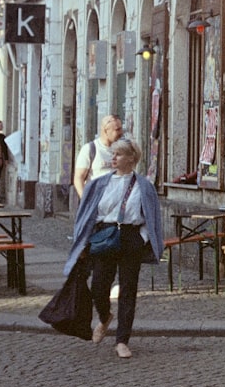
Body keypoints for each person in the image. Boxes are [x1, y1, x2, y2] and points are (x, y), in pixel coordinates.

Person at [62, 138, 164, 359]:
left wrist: (142, 238)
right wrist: (84, 242)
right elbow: (87, 214)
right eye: (113, 154)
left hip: (130, 238)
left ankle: (122, 340)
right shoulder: (100, 183)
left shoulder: (143, 186)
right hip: (105, 236)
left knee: (128, 290)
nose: (113, 158)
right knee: (99, 286)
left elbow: (152, 217)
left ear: (131, 158)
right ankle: (105, 316)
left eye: (118, 154)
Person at [73, 115, 124, 198]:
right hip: (96, 200)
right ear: (106, 131)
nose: (121, 133)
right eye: (117, 130)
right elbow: (79, 177)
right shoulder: (90, 149)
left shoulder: (121, 149)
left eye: (121, 129)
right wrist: (85, 201)